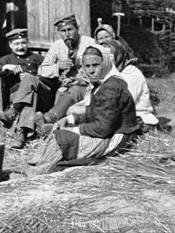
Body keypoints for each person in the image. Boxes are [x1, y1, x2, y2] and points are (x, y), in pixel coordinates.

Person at [28, 45, 141, 174]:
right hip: (109, 132)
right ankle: (34, 165)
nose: (91, 70)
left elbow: (103, 129)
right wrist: (69, 118)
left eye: (95, 65)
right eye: (87, 66)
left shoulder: (112, 86)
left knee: (61, 138)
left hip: (117, 138)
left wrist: (72, 129)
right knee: (56, 131)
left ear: (105, 64)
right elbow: (96, 112)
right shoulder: (102, 83)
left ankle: (36, 174)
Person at [0, 29, 51, 149]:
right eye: (16, 44)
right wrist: (5, 68)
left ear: (27, 43)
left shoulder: (37, 58)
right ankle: (21, 135)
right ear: (10, 45)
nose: (20, 47)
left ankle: (13, 112)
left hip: (42, 96)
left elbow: (51, 79)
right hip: (18, 97)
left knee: (29, 80)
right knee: (31, 97)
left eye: (23, 43)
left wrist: (34, 78)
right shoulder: (5, 60)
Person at [102, 39, 158, 131]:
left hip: (140, 121)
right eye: (103, 57)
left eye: (110, 56)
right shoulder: (110, 74)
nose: (106, 60)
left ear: (118, 55)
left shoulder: (130, 73)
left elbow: (122, 104)